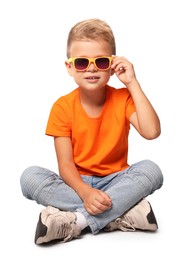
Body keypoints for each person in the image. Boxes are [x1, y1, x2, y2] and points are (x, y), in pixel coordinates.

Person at [20, 18, 163, 245]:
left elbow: (152, 131)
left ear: (113, 65)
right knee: (29, 177)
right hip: (76, 184)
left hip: (117, 180)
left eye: (102, 61)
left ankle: (76, 221)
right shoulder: (62, 107)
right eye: (81, 62)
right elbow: (65, 166)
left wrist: (132, 82)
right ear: (69, 67)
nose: (92, 68)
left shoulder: (123, 98)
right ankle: (119, 215)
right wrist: (86, 193)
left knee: (152, 171)